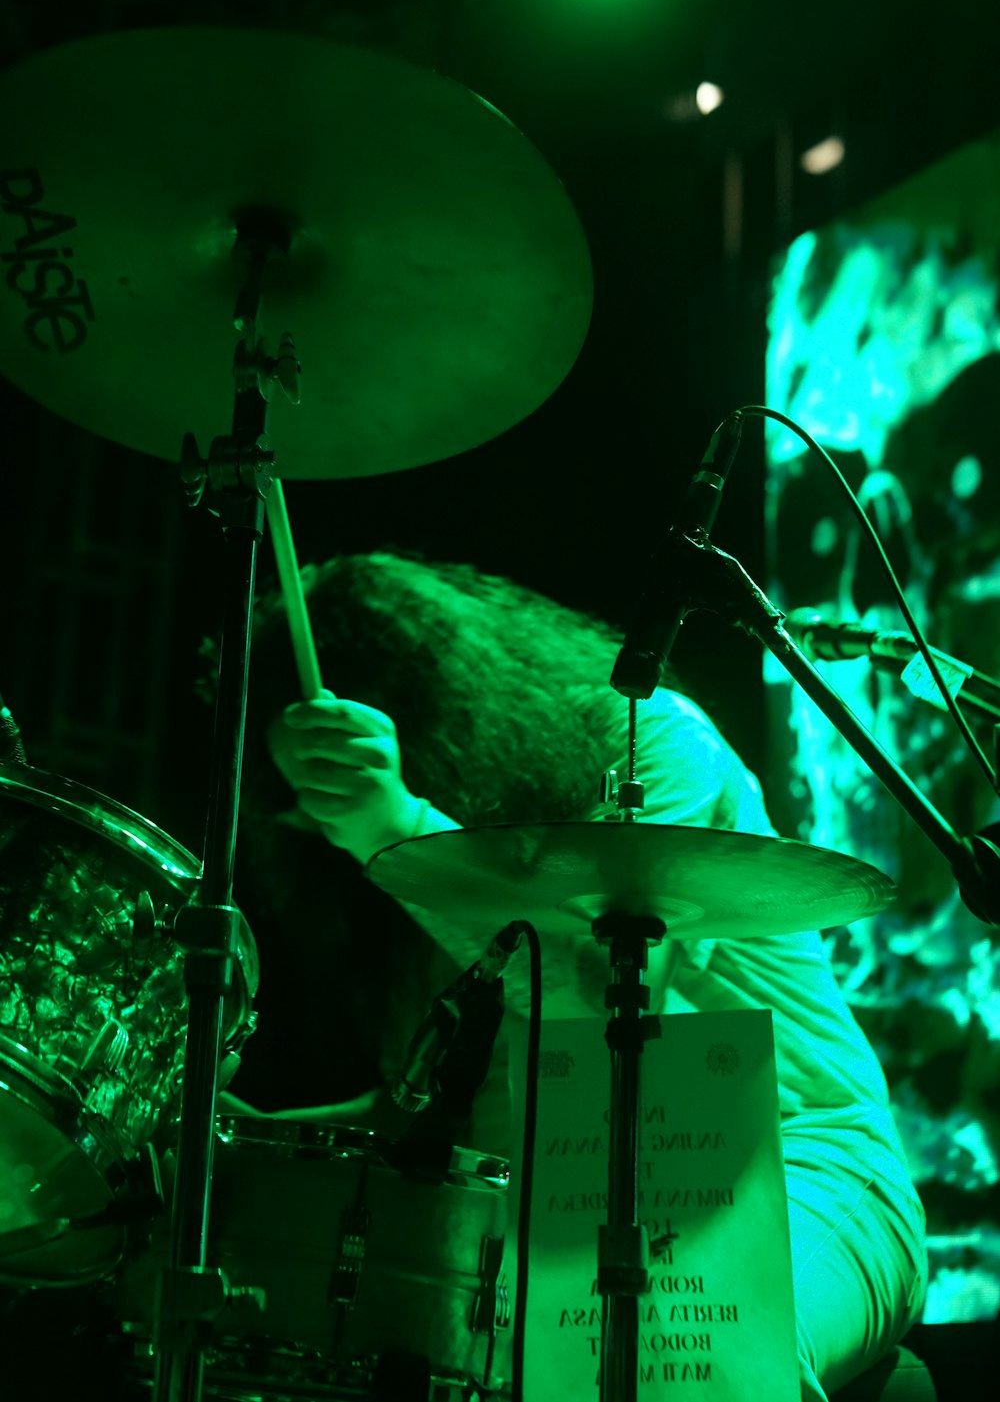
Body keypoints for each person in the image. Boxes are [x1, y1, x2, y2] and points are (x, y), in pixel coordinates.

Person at [221, 549, 928, 1402]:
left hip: (787, 1171)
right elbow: (432, 1110)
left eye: (322, 802)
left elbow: (604, 1007)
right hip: (564, 1218)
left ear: (426, 723)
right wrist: (236, 1137)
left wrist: (392, 829)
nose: (319, 829)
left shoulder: (649, 743)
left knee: (697, 1365)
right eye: (305, 817)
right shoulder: (391, 903)